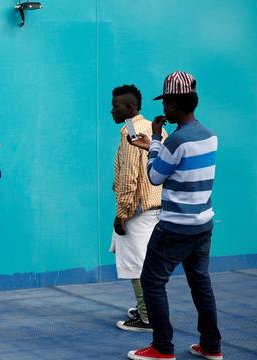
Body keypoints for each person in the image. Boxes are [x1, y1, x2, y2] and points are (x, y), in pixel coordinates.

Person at [126, 71, 223, 360]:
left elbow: (155, 176)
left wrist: (155, 139)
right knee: (200, 283)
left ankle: (162, 348)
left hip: (175, 228)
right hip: (203, 225)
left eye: (166, 103)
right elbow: (179, 165)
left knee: (152, 283)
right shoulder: (209, 136)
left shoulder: (174, 141)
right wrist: (155, 146)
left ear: (171, 106)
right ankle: (211, 346)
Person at [109, 84, 167, 333]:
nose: (111, 111)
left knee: (136, 263)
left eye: (116, 106)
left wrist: (122, 213)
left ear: (130, 108)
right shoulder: (154, 130)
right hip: (155, 205)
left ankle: (146, 317)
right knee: (146, 261)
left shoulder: (130, 130)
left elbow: (130, 175)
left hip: (138, 208)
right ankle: (146, 309)